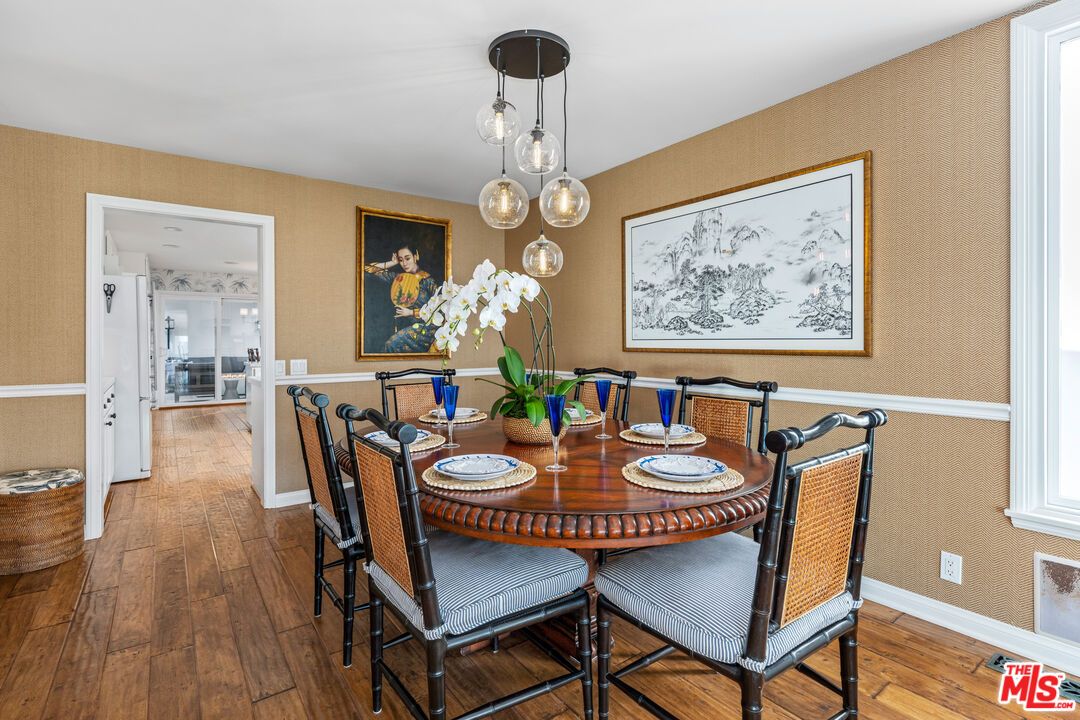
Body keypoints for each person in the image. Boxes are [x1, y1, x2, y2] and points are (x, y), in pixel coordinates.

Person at [364, 244, 439, 353]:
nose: (404, 263)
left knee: (391, 344)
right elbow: (367, 269)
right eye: (401, 260)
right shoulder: (399, 278)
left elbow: (439, 309)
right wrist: (392, 263)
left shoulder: (428, 281)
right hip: (408, 327)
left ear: (416, 256)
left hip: (428, 328)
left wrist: (411, 313)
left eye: (407, 258)